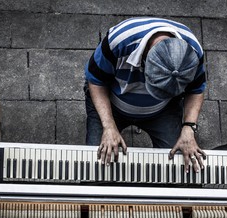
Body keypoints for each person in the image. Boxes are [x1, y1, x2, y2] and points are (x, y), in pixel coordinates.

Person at [84, 17, 206, 173]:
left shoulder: (193, 52)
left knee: (178, 172)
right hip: (112, 105)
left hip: (162, 111)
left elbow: (196, 90)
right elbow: (95, 81)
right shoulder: (119, 41)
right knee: (94, 170)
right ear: (144, 63)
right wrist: (108, 126)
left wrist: (188, 129)